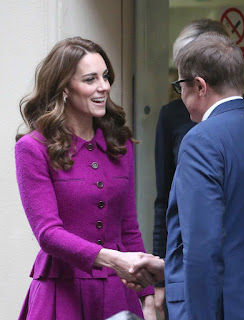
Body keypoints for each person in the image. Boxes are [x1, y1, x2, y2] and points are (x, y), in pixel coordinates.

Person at [128, 32, 244, 319]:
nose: (179, 95)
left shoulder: (200, 140)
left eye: (180, 86)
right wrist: (170, 268)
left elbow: (203, 249)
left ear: (199, 86)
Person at [15, 37, 156, 320]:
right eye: (90, 79)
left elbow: (129, 228)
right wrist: (114, 259)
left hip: (119, 293)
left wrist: (148, 297)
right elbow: (48, 234)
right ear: (65, 89)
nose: (103, 86)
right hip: (61, 293)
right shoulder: (33, 148)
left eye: (105, 77)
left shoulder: (120, 144)